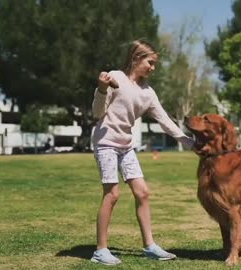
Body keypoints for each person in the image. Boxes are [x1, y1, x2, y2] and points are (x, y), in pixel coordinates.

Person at [90, 40, 194, 265]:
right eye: (150, 62)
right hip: (105, 142)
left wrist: (185, 140)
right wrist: (101, 89)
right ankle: (100, 251)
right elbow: (98, 113)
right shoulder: (114, 77)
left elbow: (165, 120)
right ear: (136, 58)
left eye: (154, 63)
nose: (153, 67)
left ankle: (149, 246)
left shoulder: (148, 93)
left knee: (143, 193)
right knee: (112, 194)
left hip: (126, 146)